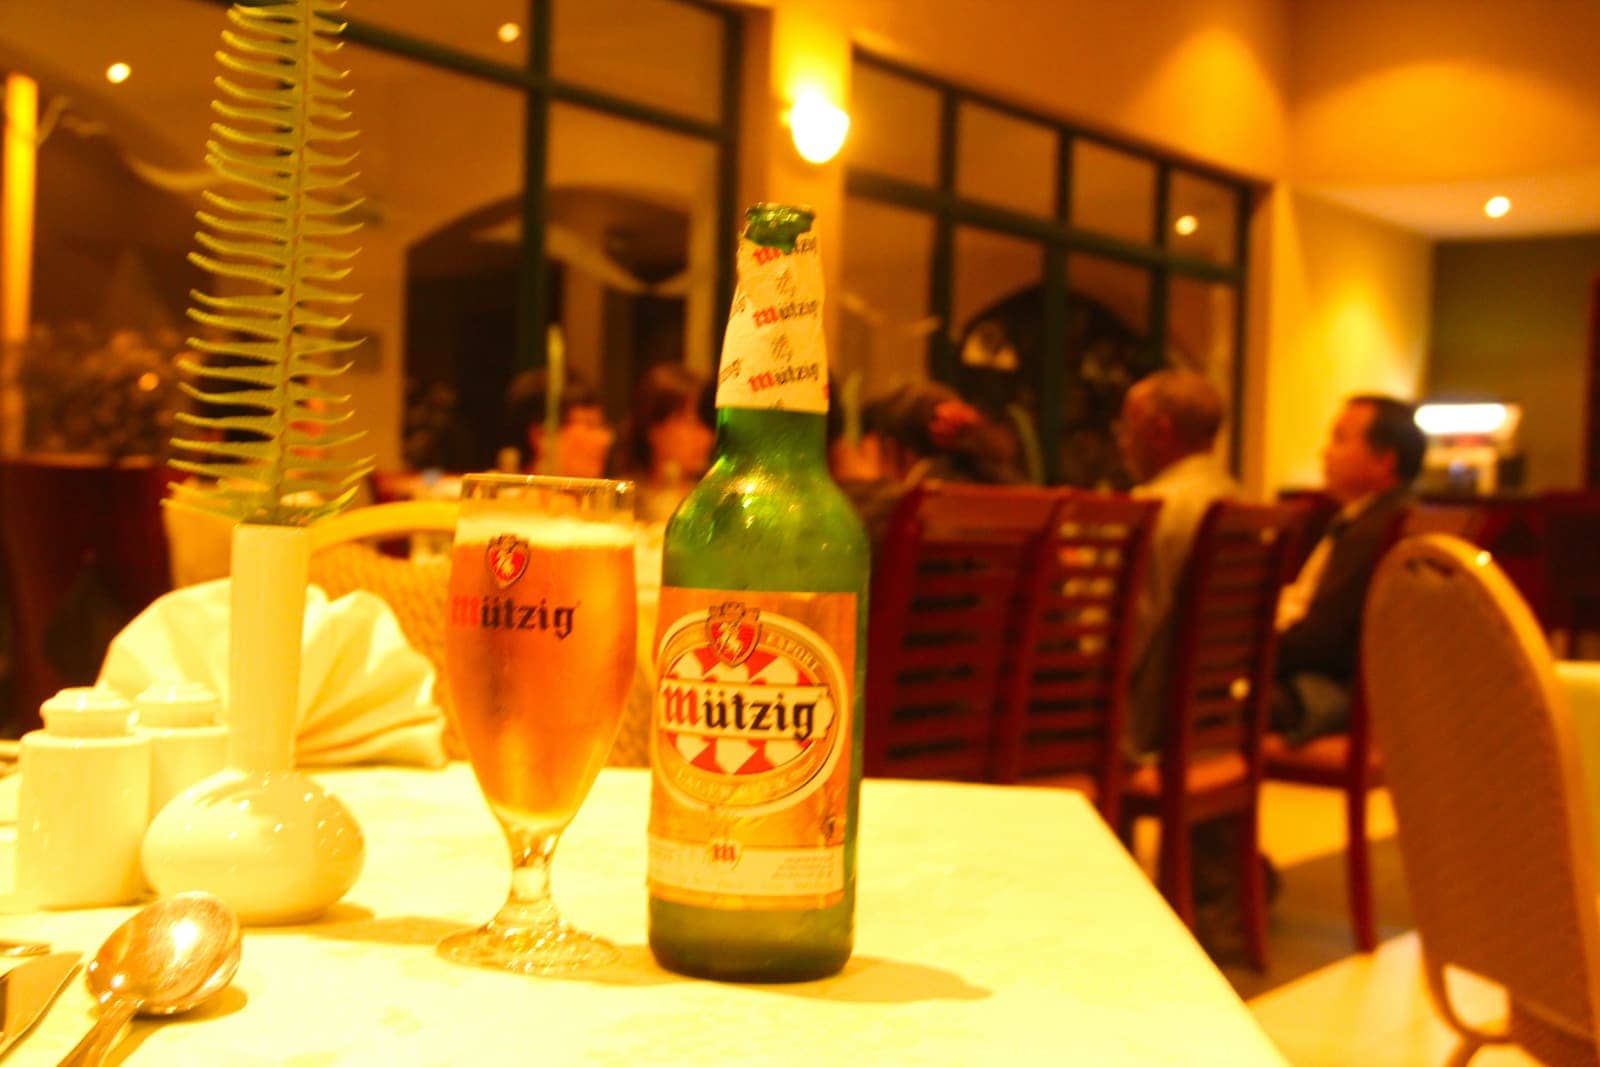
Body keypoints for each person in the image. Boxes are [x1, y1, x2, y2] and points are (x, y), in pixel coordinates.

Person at [1272, 394, 1426, 744]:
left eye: (1340, 439)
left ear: (1384, 462)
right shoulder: (1393, 517)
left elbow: (1321, 640)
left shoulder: (1377, 530)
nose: (1324, 453)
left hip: (1332, 693)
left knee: (1191, 694)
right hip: (1373, 692)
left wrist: (1243, 656)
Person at [1118, 369, 1241, 757]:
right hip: (1212, 718)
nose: (1123, 442)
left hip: (1141, 727)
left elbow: (1122, 636)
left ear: (1159, 431)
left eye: (1128, 426)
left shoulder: (1158, 508)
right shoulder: (1239, 499)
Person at [617, 363, 715, 523]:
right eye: (691, 422)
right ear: (653, 427)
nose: (705, 436)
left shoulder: (711, 500)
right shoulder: (624, 499)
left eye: (705, 423)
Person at [501, 369, 614, 479]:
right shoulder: (502, 496)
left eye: (601, 426)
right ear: (540, 434)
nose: (606, 439)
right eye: (590, 425)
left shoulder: (605, 496)